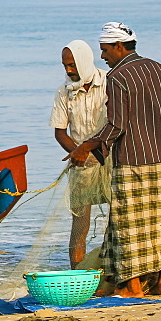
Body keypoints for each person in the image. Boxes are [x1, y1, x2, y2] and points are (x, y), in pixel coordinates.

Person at [66, 23, 161, 298]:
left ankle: (134, 287)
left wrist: (89, 145)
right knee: (155, 220)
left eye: (105, 50)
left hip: (131, 158)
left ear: (118, 47)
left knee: (129, 224)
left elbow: (116, 125)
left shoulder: (118, 76)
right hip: (159, 155)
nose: (103, 57)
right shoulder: (159, 69)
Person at [50, 39, 111, 268]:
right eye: (65, 65)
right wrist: (79, 153)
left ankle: (113, 267)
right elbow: (60, 132)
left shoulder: (109, 82)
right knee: (79, 222)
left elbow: (117, 123)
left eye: (72, 65)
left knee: (116, 217)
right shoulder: (64, 92)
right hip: (81, 162)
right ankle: (77, 270)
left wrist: (97, 151)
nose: (68, 70)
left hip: (110, 159)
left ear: (84, 62)